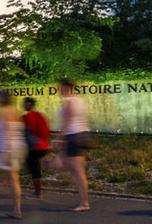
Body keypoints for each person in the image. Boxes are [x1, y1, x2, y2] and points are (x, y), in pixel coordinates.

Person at [0, 90, 27, 219]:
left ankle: (16, 210)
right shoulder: (14, 111)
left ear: (2, 98)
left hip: (7, 148)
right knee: (13, 179)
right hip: (16, 147)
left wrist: (7, 151)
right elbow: (19, 129)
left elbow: (7, 131)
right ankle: (16, 209)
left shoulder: (3, 111)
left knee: (1, 174)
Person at [59, 79, 91, 212]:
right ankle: (84, 201)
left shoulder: (69, 101)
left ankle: (84, 203)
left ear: (66, 88)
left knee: (78, 171)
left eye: (60, 88)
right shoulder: (79, 100)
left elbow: (67, 122)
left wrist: (59, 138)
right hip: (81, 135)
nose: (59, 90)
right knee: (75, 169)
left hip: (73, 136)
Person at [22, 97, 51, 199]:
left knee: (35, 171)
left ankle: (37, 193)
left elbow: (22, 132)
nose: (24, 105)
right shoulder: (40, 115)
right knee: (35, 169)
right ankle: (37, 191)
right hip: (43, 146)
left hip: (33, 148)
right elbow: (46, 131)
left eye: (25, 103)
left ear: (29, 105)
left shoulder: (26, 117)